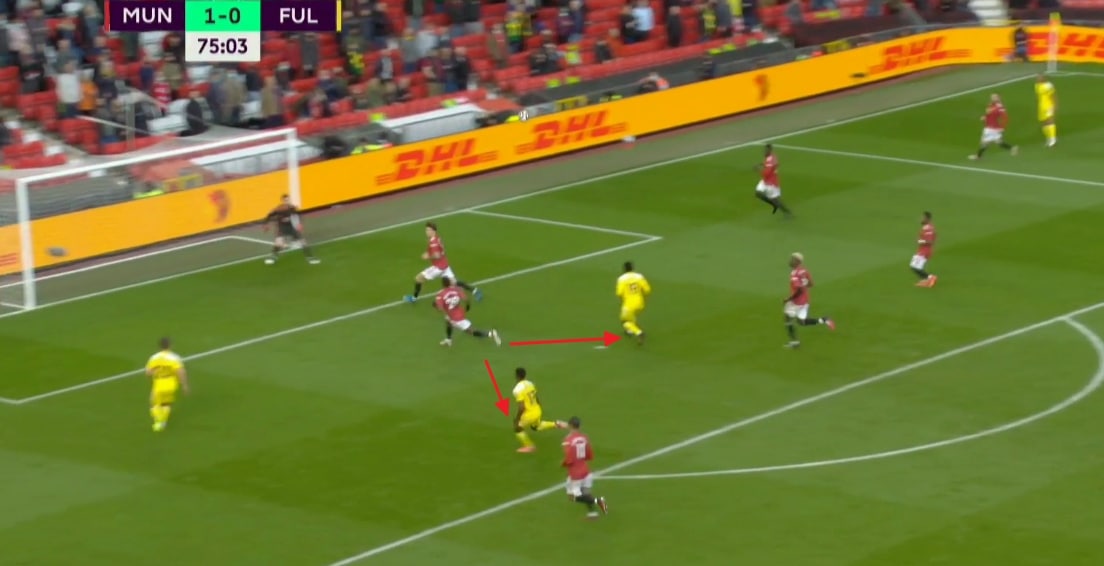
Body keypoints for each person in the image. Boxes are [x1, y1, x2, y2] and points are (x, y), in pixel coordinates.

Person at [404, 222, 482, 303]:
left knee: (418, 278)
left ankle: (413, 298)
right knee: (454, 282)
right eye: (426, 230)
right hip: (444, 264)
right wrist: (429, 253)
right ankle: (475, 291)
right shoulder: (437, 238)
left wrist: (428, 256)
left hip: (438, 267)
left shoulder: (433, 242)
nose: (426, 232)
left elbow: (437, 255)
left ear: (433, 231)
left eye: (428, 230)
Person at [783, 253, 835, 349]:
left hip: (796, 302)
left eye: (792, 259)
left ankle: (794, 342)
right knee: (802, 322)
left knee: (787, 318)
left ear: (797, 262)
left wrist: (788, 298)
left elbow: (799, 290)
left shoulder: (794, 274)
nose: (790, 261)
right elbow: (811, 284)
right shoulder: (804, 271)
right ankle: (824, 320)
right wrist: (803, 287)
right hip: (805, 300)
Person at [562, 416, 609, 518]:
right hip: (586, 471)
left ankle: (599, 501)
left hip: (575, 474)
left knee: (572, 497)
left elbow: (569, 457)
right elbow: (589, 455)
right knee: (585, 493)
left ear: (570, 425)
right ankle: (592, 513)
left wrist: (564, 463)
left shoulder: (568, 440)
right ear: (579, 426)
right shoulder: (584, 437)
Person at [433, 277, 500, 347]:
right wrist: (467, 307)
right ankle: (448, 339)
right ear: (449, 283)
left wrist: (446, 315)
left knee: (471, 331)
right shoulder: (457, 290)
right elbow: (466, 300)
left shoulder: (440, 294)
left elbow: (439, 307)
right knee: (448, 323)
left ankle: (491, 334)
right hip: (460, 313)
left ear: (443, 284)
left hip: (455, 318)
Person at [512, 367, 566, 453]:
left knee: (517, 428)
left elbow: (521, 407)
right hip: (537, 409)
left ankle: (529, 446)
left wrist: (517, 419)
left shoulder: (517, 389)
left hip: (529, 414)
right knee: (536, 427)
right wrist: (539, 406)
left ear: (517, 376)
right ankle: (556, 424)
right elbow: (536, 396)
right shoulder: (530, 383)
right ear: (525, 375)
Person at [145, 337, 190, 432]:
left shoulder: (154, 357)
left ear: (159, 346)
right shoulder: (175, 357)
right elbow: (181, 372)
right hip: (171, 383)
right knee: (167, 403)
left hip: (159, 382)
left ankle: (159, 421)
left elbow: (148, 373)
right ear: (170, 346)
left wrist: (154, 374)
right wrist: (184, 385)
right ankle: (163, 421)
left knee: (153, 403)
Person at [263, 195, 321, 265]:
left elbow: (297, 216)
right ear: (282, 201)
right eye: (286, 200)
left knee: (303, 242)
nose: (287, 201)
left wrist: (299, 224)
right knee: (278, 243)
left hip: (292, 227)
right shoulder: (278, 209)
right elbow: (269, 215)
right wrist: (266, 224)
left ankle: (310, 258)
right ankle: (273, 257)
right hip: (282, 228)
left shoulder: (292, 208)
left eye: (288, 200)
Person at [969, 93, 1017, 161]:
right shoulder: (991, 105)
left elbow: (1005, 117)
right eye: (992, 97)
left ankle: (978, 156)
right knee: (998, 142)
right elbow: (988, 114)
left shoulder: (1000, 107)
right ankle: (1012, 148)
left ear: (999, 98)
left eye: (995, 97)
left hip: (991, 128)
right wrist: (985, 117)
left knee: (984, 142)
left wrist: (1003, 127)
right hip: (991, 127)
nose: (993, 98)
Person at [616, 261, 651, 344]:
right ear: (633, 268)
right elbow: (647, 290)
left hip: (629, 304)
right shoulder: (639, 276)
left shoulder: (621, 279)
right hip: (640, 303)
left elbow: (619, 293)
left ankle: (638, 332)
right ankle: (629, 331)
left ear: (624, 269)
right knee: (631, 316)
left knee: (624, 321)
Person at [754, 144, 792, 217]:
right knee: (758, 193)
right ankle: (773, 204)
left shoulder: (771, 159)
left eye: (766, 150)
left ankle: (787, 213)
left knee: (775, 200)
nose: (764, 151)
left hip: (771, 183)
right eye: (764, 150)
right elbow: (772, 164)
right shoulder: (772, 157)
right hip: (766, 181)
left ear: (770, 150)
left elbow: (766, 173)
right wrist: (761, 164)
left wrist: (758, 170)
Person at [911, 211, 938, 288]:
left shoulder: (929, 229)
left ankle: (931, 278)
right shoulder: (926, 228)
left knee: (915, 267)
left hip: (925, 251)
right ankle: (926, 279)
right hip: (922, 250)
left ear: (927, 219)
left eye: (923, 218)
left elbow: (930, 241)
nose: (921, 219)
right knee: (915, 266)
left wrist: (920, 241)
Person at [1035, 74, 1057, 147]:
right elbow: (1038, 96)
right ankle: (1048, 138)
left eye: (1039, 77)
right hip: (1041, 107)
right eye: (1037, 78)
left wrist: (1054, 105)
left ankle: (1053, 139)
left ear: (1043, 78)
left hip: (1048, 106)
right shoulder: (1036, 86)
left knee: (1050, 121)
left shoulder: (1048, 86)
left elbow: (1053, 96)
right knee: (1043, 123)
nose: (1037, 79)